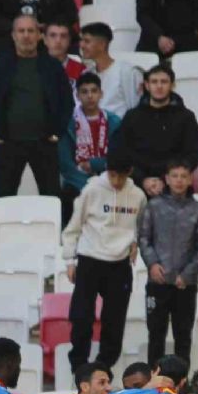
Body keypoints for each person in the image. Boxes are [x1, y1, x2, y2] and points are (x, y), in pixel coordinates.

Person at [62, 149, 146, 370]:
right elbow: (73, 228)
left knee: (114, 322)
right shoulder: (91, 190)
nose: (116, 181)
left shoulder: (137, 195)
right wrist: (70, 260)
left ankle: (103, 368)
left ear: (130, 172)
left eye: (121, 176)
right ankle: (79, 368)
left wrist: (135, 240)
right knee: (81, 318)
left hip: (119, 264)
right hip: (90, 258)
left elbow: (142, 224)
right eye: (112, 175)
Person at [0, 15, 74, 199]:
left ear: (39, 35)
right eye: (21, 31)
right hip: (9, 143)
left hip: (45, 144)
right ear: (13, 35)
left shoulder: (53, 67)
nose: (26, 36)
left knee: (51, 199)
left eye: (31, 31)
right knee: (4, 199)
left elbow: (67, 103)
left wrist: (56, 133)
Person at [137, 159, 198, 366]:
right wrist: (152, 264)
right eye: (175, 176)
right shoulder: (153, 206)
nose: (179, 181)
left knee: (183, 335)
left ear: (190, 180)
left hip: (184, 284)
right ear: (167, 180)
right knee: (156, 335)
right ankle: (154, 382)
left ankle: (180, 385)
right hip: (157, 281)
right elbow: (144, 238)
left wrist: (188, 274)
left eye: (183, 176)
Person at [114, 64, 198, 196]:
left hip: (174, 187)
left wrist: (167, 179)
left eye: (164, 82)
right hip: (135, 186)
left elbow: (193, 153)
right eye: (154, 82)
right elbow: (122, 152)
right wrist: (142, 180)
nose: (159, 86)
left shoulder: (186, 117)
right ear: (147, 85)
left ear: (172, 85)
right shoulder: (132, 117)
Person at [58, 71, 122, 226]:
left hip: (109, 178)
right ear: (77, 95)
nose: (90, 96)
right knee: (67, 197)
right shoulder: (68, 124)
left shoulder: (114, 121)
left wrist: (94, 165)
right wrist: (88, 186)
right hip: (76, 182)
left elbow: (118, 157)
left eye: (94, 91)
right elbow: (65, 163)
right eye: (84, 92)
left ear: (101, 94)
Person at [79, 22, 141, 119]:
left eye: (87, 41)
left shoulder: (126, 71)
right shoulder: (86, 73)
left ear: (102, 45)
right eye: (81, 41)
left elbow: (135, 107)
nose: (81, 45)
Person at [43, 21, 84, 85]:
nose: (58, 40)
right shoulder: (34, 68)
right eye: (53, 35)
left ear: (69, 40)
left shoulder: (81, 71)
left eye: (63, 36)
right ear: (45, 39)